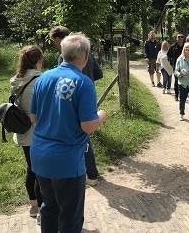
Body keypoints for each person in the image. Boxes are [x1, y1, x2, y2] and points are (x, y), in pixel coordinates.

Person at [30, 33, 108, 232]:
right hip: (66, 161)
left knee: (49, 208)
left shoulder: (43, 78)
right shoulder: (83, 83)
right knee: (70, 217)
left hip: (40, 156)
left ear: (63, 54)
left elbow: (34, 118)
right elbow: (87, 126)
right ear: (85, 56)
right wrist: (101, 116)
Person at [50, 26, 103, 186]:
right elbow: (99, 74)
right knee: (84, 134)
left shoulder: (63, 58)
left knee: (81, 135)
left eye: (55, 41)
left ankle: (90, 174)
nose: (54, 44)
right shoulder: (87, 52)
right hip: (88, 96)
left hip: (72, 100)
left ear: (60, 39)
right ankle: (89, 172)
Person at [10, 45, 43, 218]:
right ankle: (42, 206)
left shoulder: (16, 80)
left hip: (23, 131)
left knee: (31, 168)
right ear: (38, 61)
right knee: (40, 170)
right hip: (39, 132)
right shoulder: (41, 80)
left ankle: (33, 203)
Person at [174, 42, 189, 128]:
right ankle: (181, 113)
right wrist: (180, 74)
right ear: (184, 49)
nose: (187, 49)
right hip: (182, 84)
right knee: (182, 100)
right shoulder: (179, 59)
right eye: (186, 48)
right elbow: (175, 71)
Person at [168, 33, 185, 101]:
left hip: (184, 65)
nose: (180, 38)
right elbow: (168, 55)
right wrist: (171, 63)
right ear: (176, 38)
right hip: (176, 66)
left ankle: (183, 94)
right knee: (177, 80)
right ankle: (176, 95)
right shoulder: (173, 46)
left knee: (184, 80)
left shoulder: (185, 46)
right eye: (179, 37)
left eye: (182, 37)